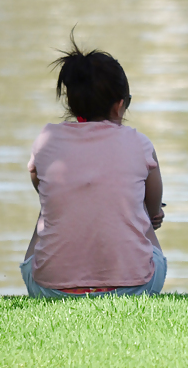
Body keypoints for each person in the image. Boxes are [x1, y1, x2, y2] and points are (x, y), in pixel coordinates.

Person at [21, 37, 167, 298]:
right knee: (141, 210)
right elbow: (154, 211)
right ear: (120, 104)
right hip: (133, 288)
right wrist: (149, 211)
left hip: (50, 291)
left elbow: (37, 182)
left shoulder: (46, 140)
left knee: (47, 208)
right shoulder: (140, 143)